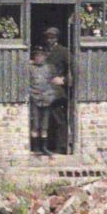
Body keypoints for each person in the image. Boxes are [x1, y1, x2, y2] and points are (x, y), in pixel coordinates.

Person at [28, 25, 72, 154]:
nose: (49, 39)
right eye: (47, 36)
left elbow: (74, 69)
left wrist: (64, 80)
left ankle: (61, 147)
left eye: (52, 37)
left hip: (56, 92)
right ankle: (45, 146)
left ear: (57, 38)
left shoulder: (63, 51)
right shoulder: (42, 51)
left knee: (58, 119)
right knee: (43, 121)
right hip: (41, 91)